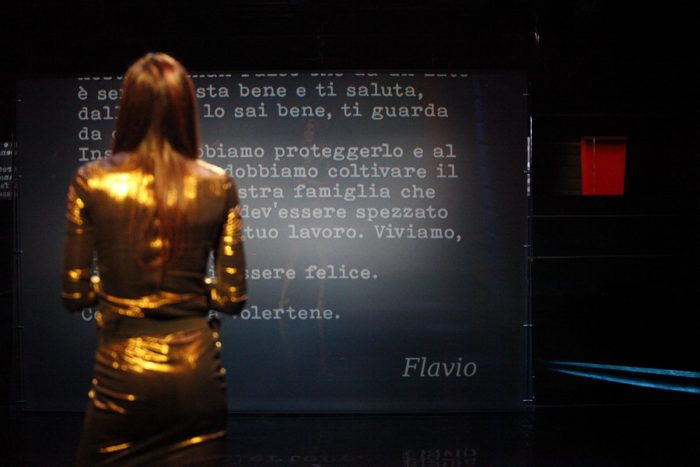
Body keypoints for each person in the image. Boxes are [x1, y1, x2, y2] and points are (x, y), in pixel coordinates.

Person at [61, 52, 247, 466]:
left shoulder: (92, 181)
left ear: (129, 106)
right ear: (185, 108)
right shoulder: (218, 184)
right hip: (197, 371)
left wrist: (120, 286)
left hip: (123, 371)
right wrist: (185, 292)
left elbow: (74, 294)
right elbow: (232, 297)